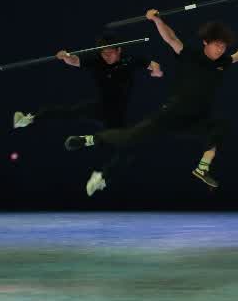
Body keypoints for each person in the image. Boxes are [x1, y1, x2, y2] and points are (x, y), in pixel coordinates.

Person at [65, 10, 238, 192]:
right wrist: (156, 20)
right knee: (130, 138)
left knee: (220, 126)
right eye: (217, 45)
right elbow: (171, 38)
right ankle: (90, 140)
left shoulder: (223, 61)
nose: (221, 50)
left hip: (196, 119)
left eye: (223, 47)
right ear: (206, 42)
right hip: (172, 114)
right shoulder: (190, 55)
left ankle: (202, 168)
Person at [13, 34, 163, 195]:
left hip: (117, 114)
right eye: (103, 53)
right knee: (70, 112)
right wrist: (66, 56)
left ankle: (101, 177)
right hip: (100, 107)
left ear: (119, 50)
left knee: (126, 150)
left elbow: (153, 64)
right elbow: (75, 60)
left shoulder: (130, 59)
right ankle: (28, 119)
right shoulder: (96, 60)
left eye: (110, 53)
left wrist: (157, 71)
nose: (106, 57)